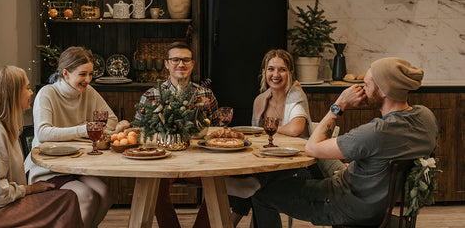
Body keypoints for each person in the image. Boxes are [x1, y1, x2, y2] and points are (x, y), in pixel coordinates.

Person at [252, 57, 438, 227]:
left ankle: (253, 186)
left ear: (383, 90)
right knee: (312, 169)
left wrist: (339, 105)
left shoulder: (375, 133)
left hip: (345, 205)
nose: (362, 90)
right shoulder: (425, 117)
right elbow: (387, 153)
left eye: (366, 85)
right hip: (374, 201)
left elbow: (312, 147)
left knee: (261, 195)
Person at [0, 66, 83, 227]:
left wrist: (29, 189)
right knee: (67, 199)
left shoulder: (3, 127)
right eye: (26, 88)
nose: (31, 92)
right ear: (12, 94)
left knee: (65, 198)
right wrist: (29, 189)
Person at [25, 46, 118, 228]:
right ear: (66, 73)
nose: (88, 80)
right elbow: (43, 134)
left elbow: (112, 119)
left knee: (106, 194)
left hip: (76, 166)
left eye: (91, 74)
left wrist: (93, 130)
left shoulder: (88, 92)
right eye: (83, 74)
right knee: (87, 196)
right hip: (47, 169)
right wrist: (85, 130)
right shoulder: (47, 94)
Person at [137, 41, 218, 228]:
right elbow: (140, 133)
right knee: (153, 185)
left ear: (192, 63)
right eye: (175, 60)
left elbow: (215, 131)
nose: (181, 64)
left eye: (186, 60)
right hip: (163, 161)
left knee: (223, 184)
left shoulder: (205, 94)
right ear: (166, 64)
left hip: (200, 162)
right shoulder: (151, 95)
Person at [229, 49, 311, 226]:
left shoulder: (296, 95)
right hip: (268, 163)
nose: (275, 74)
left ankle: (228, 223)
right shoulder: (260, 100)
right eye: (271, 69)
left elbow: (296, 128)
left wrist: (270, 128)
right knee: (254, 185)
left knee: (257, 187)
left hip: (299, 165)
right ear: (264, 72)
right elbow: (255, 139)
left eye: (282, 70)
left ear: (290, 73)